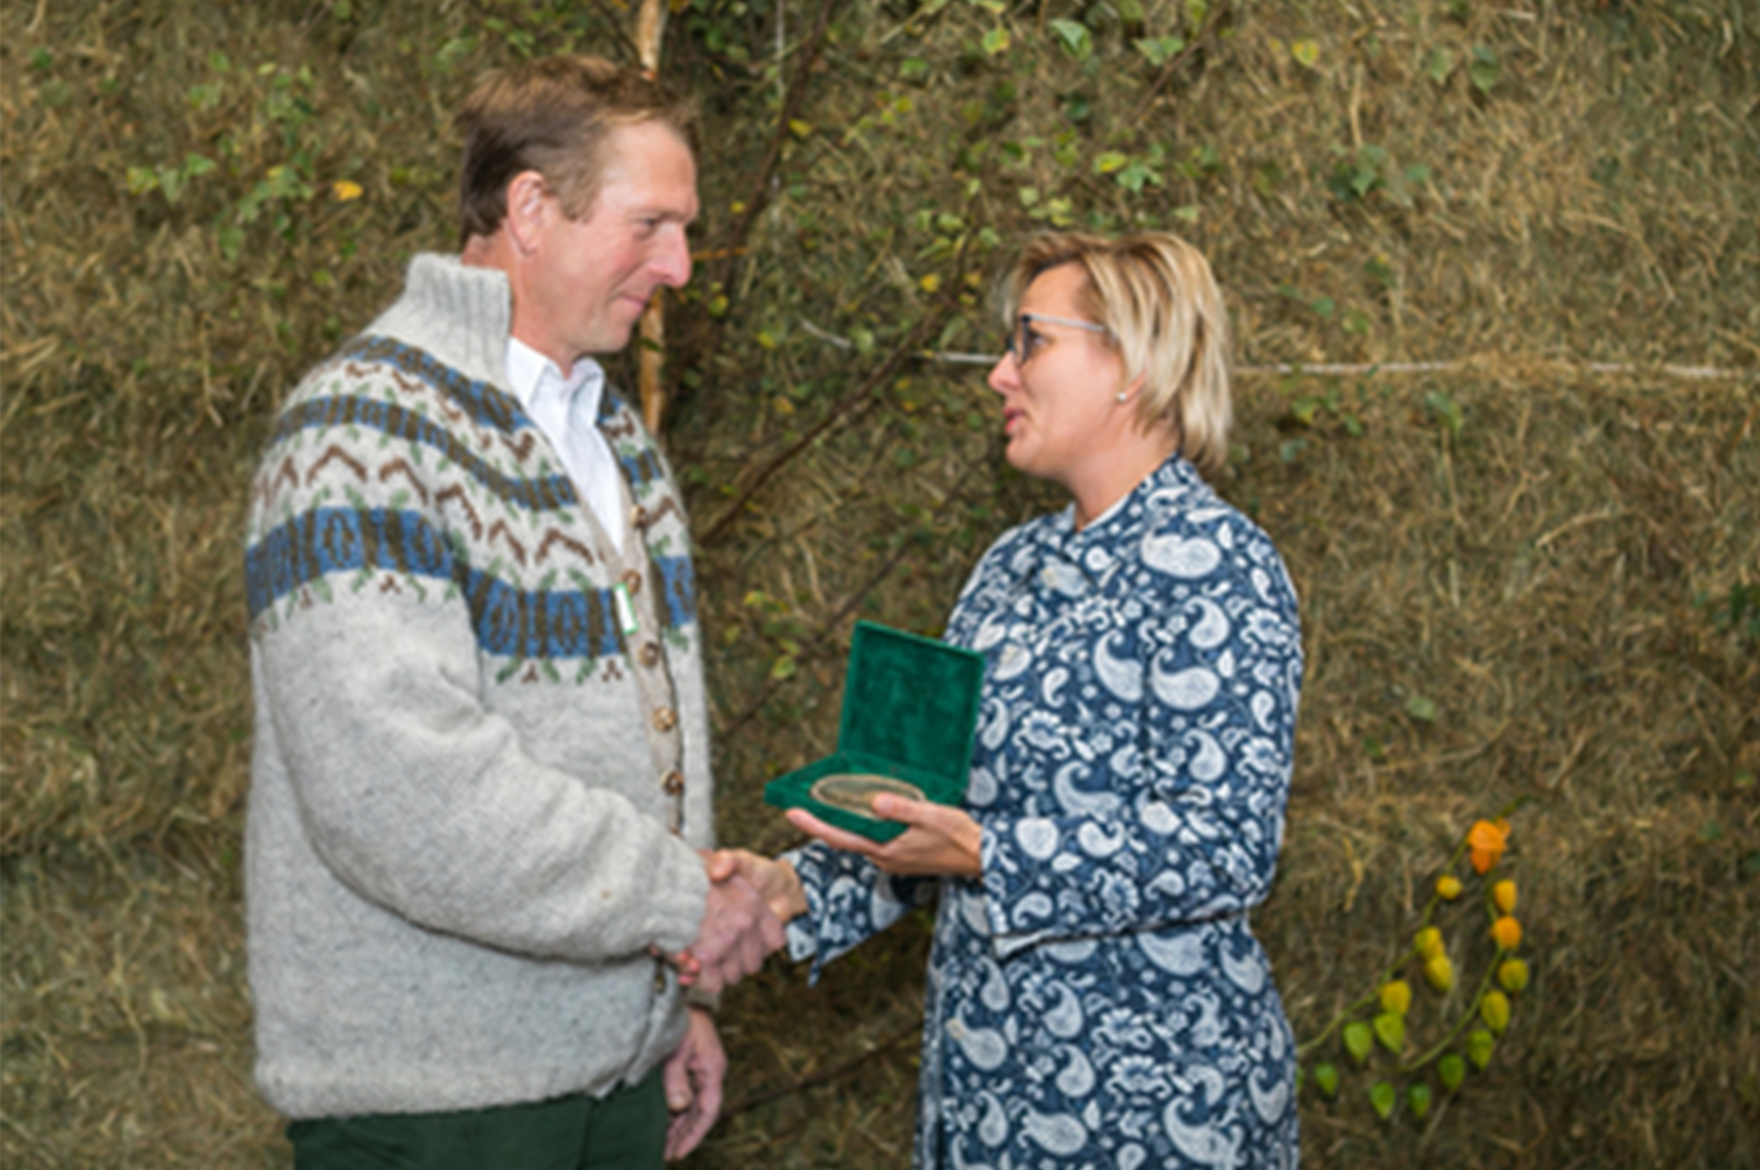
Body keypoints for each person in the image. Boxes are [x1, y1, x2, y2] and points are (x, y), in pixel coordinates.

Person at [242, 55, 783, 1169]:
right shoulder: (360, 433)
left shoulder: (614, 440)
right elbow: (397, 787)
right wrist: (682, 902)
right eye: (649, 226)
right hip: (443, 1109)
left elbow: (633, 754)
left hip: (614, 1086)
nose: (677, 266)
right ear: (532, 209)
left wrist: (675, 1003)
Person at [722, 232, 1305, 1168]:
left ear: (1131, 361)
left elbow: (1227, 847)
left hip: (1147, 1115)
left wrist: (988, 851)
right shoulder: (1011, 566)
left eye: (1030, 341)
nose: (1000, 373)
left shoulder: (1218, 569)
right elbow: (938, 817)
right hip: (988, 1102)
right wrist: (790, 891)